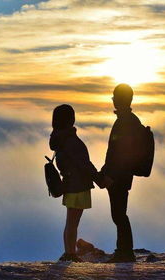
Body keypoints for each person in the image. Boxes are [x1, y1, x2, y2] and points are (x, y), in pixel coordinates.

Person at [49, 104, 98, 262]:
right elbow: (84, 164)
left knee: (70, 222)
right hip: (78, 185)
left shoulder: (60, 139)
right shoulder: (70, 141)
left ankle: (69, 252)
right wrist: (100, 179)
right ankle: (70, 254)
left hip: (70, 184)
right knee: (72, 223)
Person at [99, 84, 142, 263]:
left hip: (119, 176)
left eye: (115, 96)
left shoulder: (125, 122)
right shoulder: (130, 120)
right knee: (119, 213)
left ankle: (125, 252)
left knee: (119, 214)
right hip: (122, 175)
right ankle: (124, 251)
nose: (113, 100)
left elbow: (119, 153)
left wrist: (108, 174)